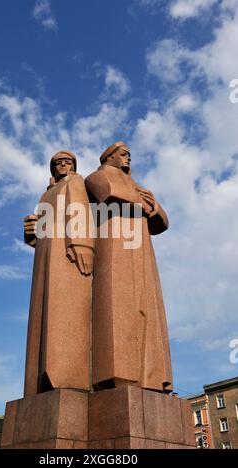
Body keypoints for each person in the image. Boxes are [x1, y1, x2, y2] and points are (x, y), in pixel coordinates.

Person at [85, 141, 173, 393]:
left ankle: (151, 377)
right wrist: (146, 204)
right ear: (109, 157)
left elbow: (163, 223)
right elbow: (109, 193)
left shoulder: (138, 186)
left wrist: (153, 206)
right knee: (117, 305)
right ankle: (119, 373)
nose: (128, 159)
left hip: (143, 251)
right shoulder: (97, 177)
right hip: (114, 246)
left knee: (147, 309)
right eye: (124, 154)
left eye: (130, 156)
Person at [24, 151, 94, 395]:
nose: (63, 165)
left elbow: (79, 210)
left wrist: (81, 244)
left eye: (68, 162)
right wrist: (31, 233)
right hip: (45, 253)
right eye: (58, 163)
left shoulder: (75, 182)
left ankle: (64, 373)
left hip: (65, 251)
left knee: (63, 309)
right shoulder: (46, 193)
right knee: (42, 314)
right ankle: (40, 379)